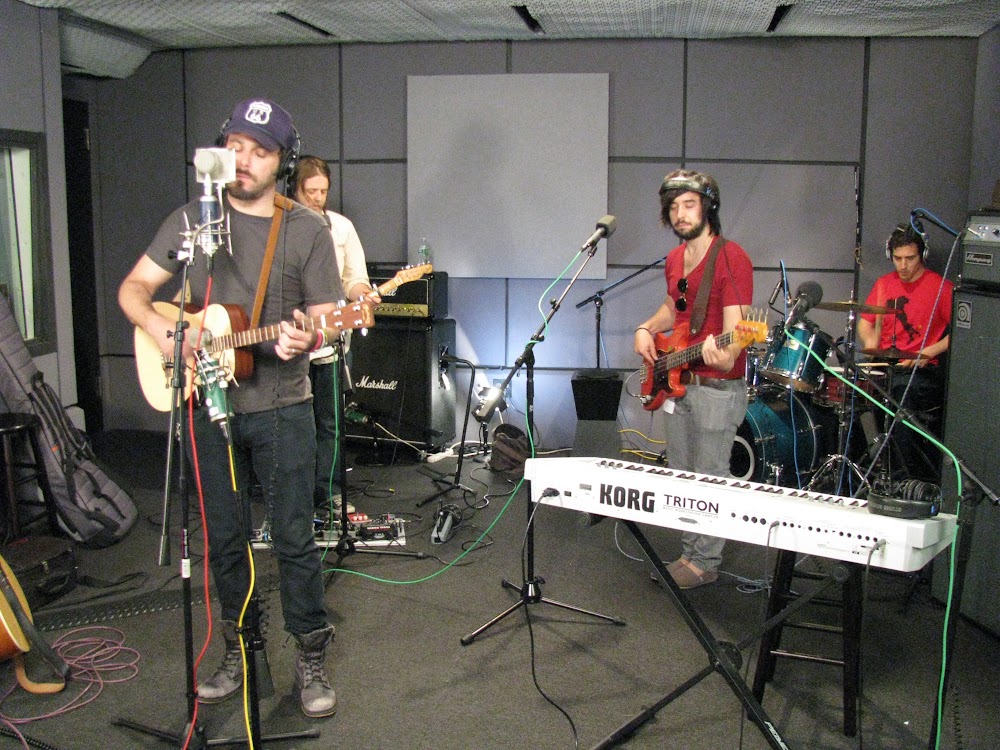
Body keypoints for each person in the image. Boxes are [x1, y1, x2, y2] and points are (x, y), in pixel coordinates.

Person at [118, 99, 342, 718]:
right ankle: (241, 650)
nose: (243, 160)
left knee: (293, 537)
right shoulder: (192, 219)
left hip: (282, 407)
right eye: (235, 146)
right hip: (204, 403)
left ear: (283, 163)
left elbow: (328, 318)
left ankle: (310, 653)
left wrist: (308, 337)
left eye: (260, 151)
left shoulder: (305, 230)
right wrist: (166, 331)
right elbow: (134, 290)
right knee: (223, 539)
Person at [634, 169, 753, 589]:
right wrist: (646, 327)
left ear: (708, 207)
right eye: (673, 207)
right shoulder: (674, 259)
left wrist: (727, 353)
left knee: (710, 476)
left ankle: (705, 562)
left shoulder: (731, 257)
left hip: (717, 390)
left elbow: (740, 331)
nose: (680, 214)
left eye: (689, 204)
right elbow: (673, 308)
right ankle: (689, 553)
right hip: (679, 382)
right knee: (682, 474)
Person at [288, 156, 381, 511]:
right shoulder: (278, 226)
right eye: (310, 191)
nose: (317, 198)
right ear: (294, 189)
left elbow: (354, 278)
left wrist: (363, 294)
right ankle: (291, 494)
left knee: (330, 422)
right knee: (290, 424)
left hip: (329, 342)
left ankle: (328, 491)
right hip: (286, 345)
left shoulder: (341, 228)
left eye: (323, 191)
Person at [858, 223, 953, 482]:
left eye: (910, 258)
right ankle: (865, 467)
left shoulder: (941, 287)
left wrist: (929, 351)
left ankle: (902, 478)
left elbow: (960, 333)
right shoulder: (883, 284)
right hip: (885, 365)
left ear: (922, 255)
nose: (903, 265)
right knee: (849, 388)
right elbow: (865, 323)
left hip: (920, 371)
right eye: (898, 258)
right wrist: (870, 341)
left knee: (900, 393)